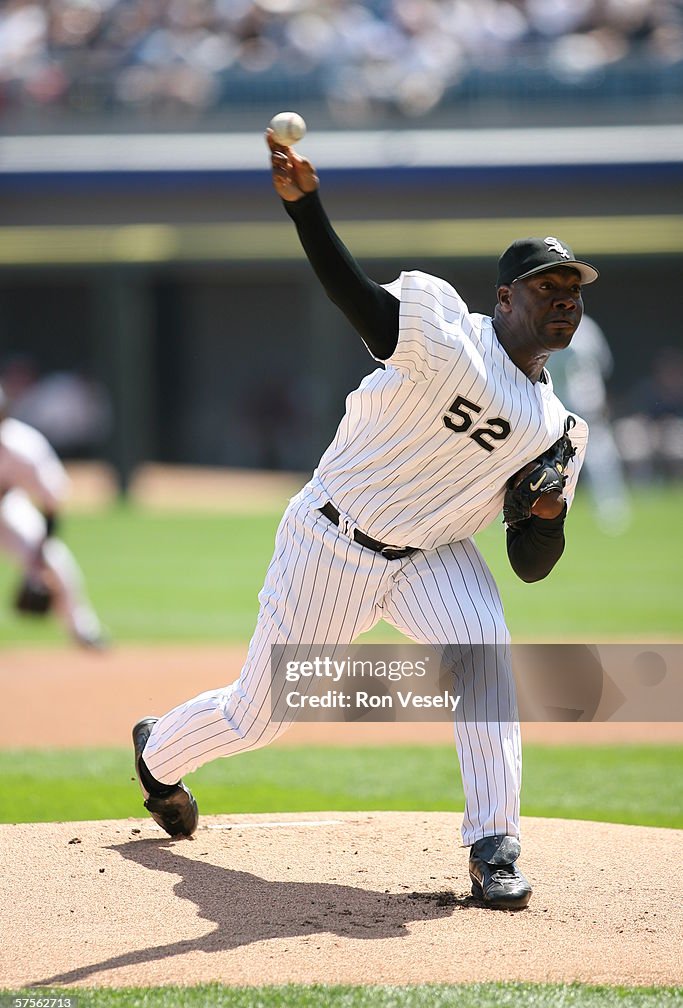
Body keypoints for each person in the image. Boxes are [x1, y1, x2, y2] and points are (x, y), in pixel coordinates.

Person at [132, 128, 598, 910]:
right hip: (331, 538)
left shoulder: (559, 430)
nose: (563, 302)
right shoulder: (449, 341)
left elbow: (530, 561)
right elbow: (359, 300)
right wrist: (307, 211)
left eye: (572, 292)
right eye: (546, 288)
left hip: (429, 554)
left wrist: (545, 514)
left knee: (483, 656)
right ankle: (158, 754)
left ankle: (493, 846)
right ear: (506, 298)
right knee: (260, 714)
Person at [0, 385, 107, 650]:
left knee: (55, 561)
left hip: (6, 511)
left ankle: (84, 631)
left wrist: (38, 561)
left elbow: (51, 504)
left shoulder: (23, 447)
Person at [549, 314, 631, 534]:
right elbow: (606, 365)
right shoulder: (588, 327)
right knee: (599, 455)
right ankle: (611, 506)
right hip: (581, 401)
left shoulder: (549, 324)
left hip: (565, 404)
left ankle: (611, 505)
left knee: (598, 456)